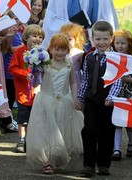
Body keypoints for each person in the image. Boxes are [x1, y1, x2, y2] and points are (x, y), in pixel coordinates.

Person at [26, 33, 83, 175]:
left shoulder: (69, 64)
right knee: (46, 131)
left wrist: (75, 98)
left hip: (64, 101)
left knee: (62, 130)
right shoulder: (45, 64)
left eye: (63, 49)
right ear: (50, 49)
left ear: (67, 50)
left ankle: (58, 156)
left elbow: (73, 82)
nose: (60, 52)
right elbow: (36, 81)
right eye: (57, 49)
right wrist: (34, 73)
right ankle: (47, 162)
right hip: (46, 101)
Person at [78, 21, 121, 176]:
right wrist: (80, 97)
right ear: (92, 38)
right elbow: (85, 80)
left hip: (107, 101)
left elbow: (117, 81)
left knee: (106, 132)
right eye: (98, 39)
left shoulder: (115, 58)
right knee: (89, 130)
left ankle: (103, 164)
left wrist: (111, 97)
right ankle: (88, 165)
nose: (101, 42)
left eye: (105, 39)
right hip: (91, 99)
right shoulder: (89, 57)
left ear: (111, 39)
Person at [8, 24, 45, 153]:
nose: (37, 39)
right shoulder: (19, 51)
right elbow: (12, 68)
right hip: (23, 91)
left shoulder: (42, 53)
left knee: (35, 118)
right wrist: (25, 74)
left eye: (40, 37)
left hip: (37, 91)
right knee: (23, 118)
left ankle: (32, 140)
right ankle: (21, 140)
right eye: (34, 36)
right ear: (26, 37)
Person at [111, 30, 132, 161]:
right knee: (117, 121)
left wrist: (127, 79)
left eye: (123, 43)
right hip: (116, 92)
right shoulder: (113, 57)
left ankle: (131, 142)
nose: (120, 46)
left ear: (129, 44)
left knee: (129, 121)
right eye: (117, 43)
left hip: (131, 93)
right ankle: (116, 148)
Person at [42, 0, 119, 49]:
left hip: (93, 42)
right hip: (69, 43)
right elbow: (52, 19)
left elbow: (107, 18)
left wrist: (91, 31)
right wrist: (73, 28)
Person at [59, 23, 85, 89]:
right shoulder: (59, 52)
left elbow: (83, 67)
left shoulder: (79, 53)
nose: (67, 41)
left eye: (70, 39)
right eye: (64, 38)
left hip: (75, 79)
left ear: (76, 40)